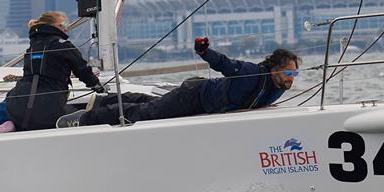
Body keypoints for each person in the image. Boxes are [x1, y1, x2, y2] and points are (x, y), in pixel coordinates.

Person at [56, 38, 299, 127]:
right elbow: (224, 63)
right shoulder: (251, 73)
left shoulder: (276, 87)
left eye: (295, 75)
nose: (292, 79)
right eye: (288, 73)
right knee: (148, 114)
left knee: (153, 104)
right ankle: (86, 119)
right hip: (195, 94)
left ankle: (105, 101)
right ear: (275, 69)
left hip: (203, 105)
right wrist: (204, 52)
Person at [0, 11, 104, 135]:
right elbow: (82, 68)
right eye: (62, 25)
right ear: (52, 27)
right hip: (49, 102)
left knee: (7, 106)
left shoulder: (32, 48)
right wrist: (96, 85)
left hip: (21, 98)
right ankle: (12, 127)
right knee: (63, 113)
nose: (66, 29)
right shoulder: (63, 45)